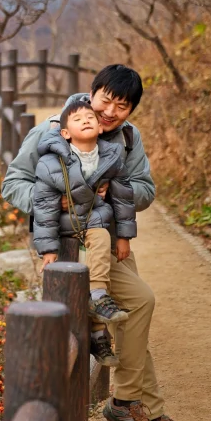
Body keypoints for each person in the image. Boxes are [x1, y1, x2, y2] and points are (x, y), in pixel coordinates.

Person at [2, 64, 175, 421]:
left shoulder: (129, 138)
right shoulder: (53, 130)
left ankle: (134, 404)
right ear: (92, 92)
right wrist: (52, 199)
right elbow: (13, 182)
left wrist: (114, 192)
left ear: (131, 110)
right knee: (138, 303)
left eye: (122, 106)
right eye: (106, 100)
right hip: (69, 246)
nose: (110, 112)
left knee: (131, 315)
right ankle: (138, 406)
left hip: (107, 242)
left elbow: (145, 189)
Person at [31, 93, 136, 359]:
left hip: (93, 220)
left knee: (101, 245)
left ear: (100, 127)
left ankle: (99, 313)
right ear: (65, 132)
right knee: (73, 279)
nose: (86, 120)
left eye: (91, 117)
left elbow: (124, 198)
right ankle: (96, 322)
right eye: (78, 119)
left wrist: (124, 237)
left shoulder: (111, 156)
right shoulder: (50, 162)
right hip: (65, 225)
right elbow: (43, 207)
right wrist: (48, 249)